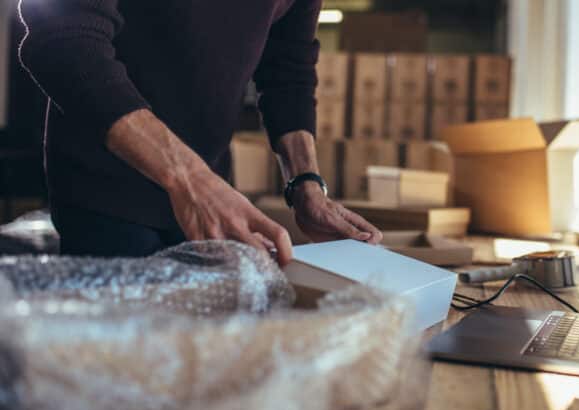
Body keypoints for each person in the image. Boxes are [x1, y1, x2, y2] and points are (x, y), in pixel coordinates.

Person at [17, 0, 382, 265]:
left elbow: (288, 67)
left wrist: (306, 184)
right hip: (108, 193)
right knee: (125, 360)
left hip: (212, 192)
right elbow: (63, 41)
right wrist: (190, 181)